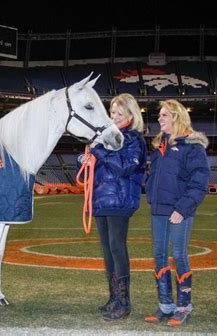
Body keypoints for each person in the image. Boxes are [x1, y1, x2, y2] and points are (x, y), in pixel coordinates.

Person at [78, 93, 146, 321]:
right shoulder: (109, 135)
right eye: (112, 113)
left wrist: (98, 151)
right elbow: (105, 165)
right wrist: (87, 160)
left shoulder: (134, 138)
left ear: (130, 114)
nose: (114, 117)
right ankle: (114, 298)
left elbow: (124, 167)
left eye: (119, 113)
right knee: (108, 251)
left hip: (120, 199)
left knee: (117, 247)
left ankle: (124, 303)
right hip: (102, 199)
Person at [144, 99, 210, 326]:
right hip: (159, 210)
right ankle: (165, 305)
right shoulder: (159, 147)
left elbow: (199, 183)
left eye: (164, 115)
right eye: (160, 115)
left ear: (177, 117)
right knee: (160, 256)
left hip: (179, 211)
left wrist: (182, 209)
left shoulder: (193, 147)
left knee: (179, 255)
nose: (159, 118)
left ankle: (183, 306)